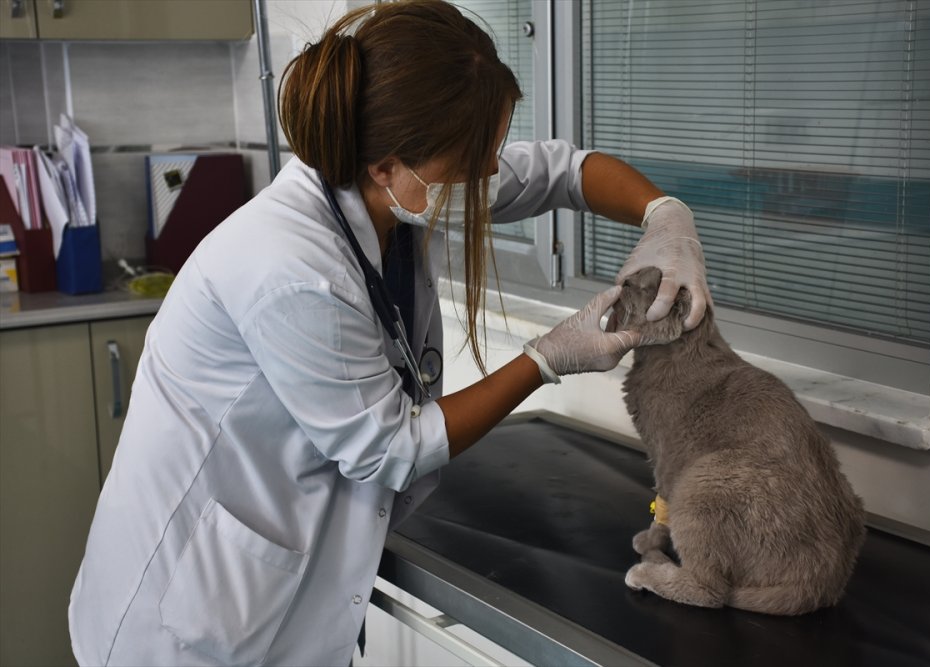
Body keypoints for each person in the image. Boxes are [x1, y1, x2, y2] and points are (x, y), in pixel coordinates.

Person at [68, 1, 709, 665]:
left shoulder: (395, 182)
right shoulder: (290, 268)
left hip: (273, 587)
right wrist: (547, 358)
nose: (490, 173)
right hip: (188, 620)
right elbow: (390, 447)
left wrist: (666, 216)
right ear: (388, 166)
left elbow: (564, 171)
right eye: (475, 159)